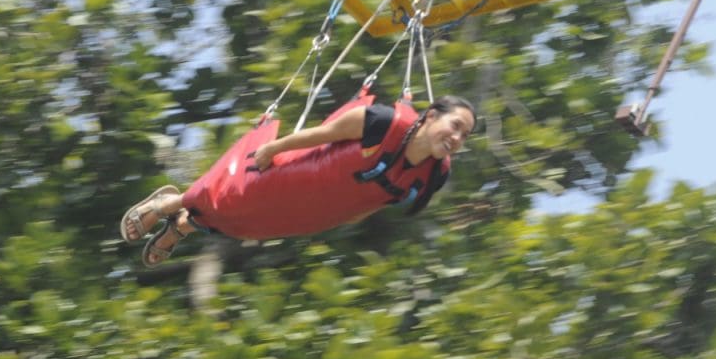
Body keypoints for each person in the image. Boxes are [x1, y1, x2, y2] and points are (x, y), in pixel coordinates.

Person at [119, 94, 476, 266]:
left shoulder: (434, 174)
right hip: (301, 171)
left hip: (324, 208)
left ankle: (182, 227)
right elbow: (322, 134)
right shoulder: (382, 121)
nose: (457, 139)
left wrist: (348, 218)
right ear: (430, 116)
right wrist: (273, 147)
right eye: (455, 126)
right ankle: (166, 204)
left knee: (250, 224)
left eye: (465, 136)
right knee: (233, 194)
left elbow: (385, 199)